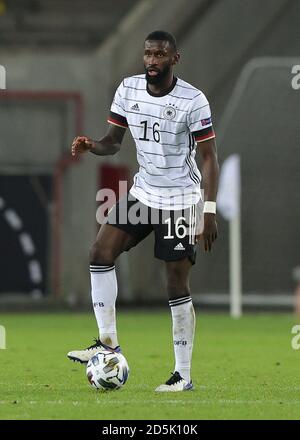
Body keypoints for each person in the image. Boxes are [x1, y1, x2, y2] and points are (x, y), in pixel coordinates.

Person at [67, 30, 219, 392]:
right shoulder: (128, 89)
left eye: (160, 55)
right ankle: (107, 343)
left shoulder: (193, 100)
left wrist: (208, 210)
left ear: (174, 59)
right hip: (143, 194)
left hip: (180, 201)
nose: (152, 60)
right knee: (100, 253)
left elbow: (210, 158)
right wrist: (93, 145)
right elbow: (113, 142)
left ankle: (182, 375)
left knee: (175, 284)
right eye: (148, 54)